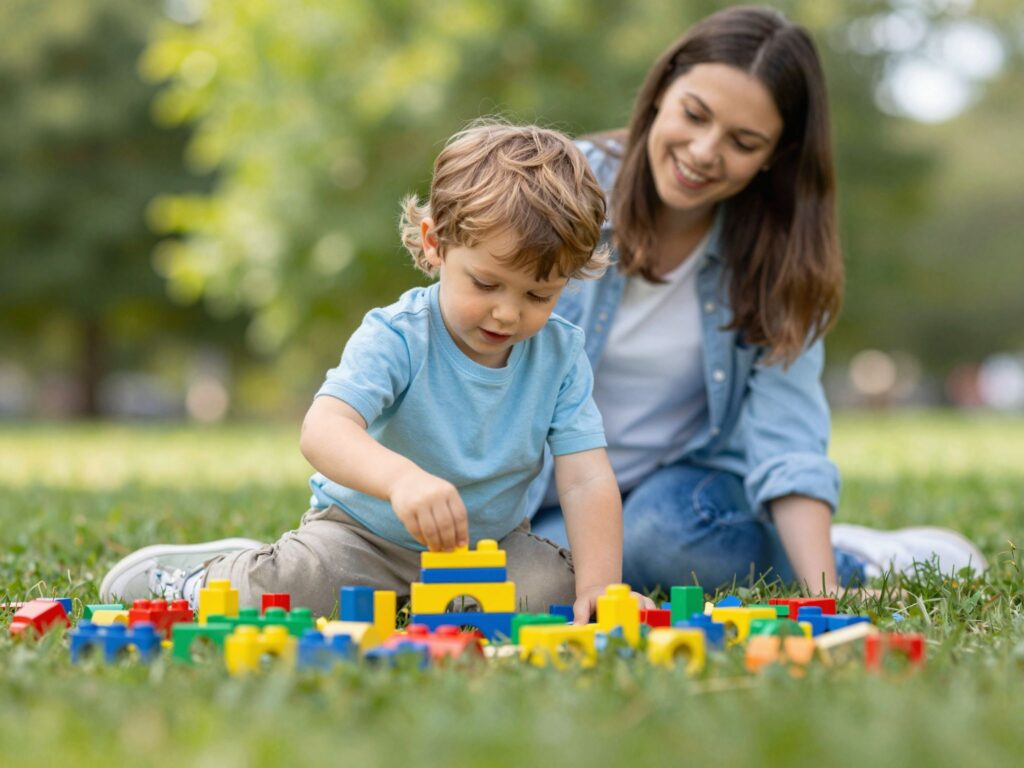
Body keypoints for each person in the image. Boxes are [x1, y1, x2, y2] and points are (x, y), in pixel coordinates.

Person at [100, 121, 654, 622]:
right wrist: (402, 480)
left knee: (555, 590)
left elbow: (585, 476)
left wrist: (602, 586)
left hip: (485, 552)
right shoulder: (399, 334)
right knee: (282, 595)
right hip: (363, 538)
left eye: (539, 294)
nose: (508, 313)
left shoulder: (559, 354)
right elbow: (324, 429)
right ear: (437, 245)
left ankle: (446, 602)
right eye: (486, 284)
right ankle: (201, 579)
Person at [527, 5, 986, 594]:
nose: (703, 152)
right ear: (663, 88)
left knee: (663, 543)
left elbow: (786, 438)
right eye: (695, 115)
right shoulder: (559, 191)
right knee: (542, 578)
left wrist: (824, 596)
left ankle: (847, 562)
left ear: (774, 154)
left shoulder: (780, 256)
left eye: (743, 141)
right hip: (556, 494)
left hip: (682, 497)